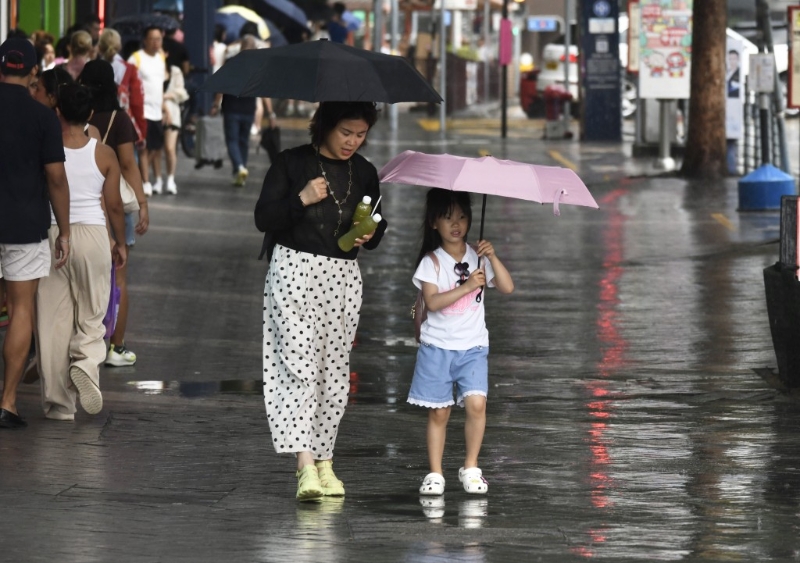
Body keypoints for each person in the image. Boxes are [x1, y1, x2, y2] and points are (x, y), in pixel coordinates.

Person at [254, 101, 387, 500]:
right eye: (346, 131)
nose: (353, 141)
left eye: (360, 134)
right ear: (326, 126)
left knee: (334, 375)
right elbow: (264, 218)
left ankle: (325, 461)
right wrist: (301, 199)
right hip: (293, 271)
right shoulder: (291, 163)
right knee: (299, 367)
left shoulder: (364, 172)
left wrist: (369, 235)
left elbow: (379, 226)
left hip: (343, 278)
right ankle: (304, 465)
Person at [410, 189, 514, 496]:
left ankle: (471, 466)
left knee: (477, 403)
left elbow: (507, 287)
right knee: (439, 412)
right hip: (437, 347)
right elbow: (433, 301)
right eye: (447, 217)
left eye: (462, 216)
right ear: (433, 223)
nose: (457, 224)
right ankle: (435, 473)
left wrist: (492, 256)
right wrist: (468, 286)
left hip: (473, 347)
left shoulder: (478, 256)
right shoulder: (432, 262)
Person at [35, 83, 126, 421]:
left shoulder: (45, 147)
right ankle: (86, 363)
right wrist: (119, 241)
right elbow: (114, 205)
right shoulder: (103, 154)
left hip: (52, 234)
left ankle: (59, 404)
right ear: (89, 115)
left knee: (52, 320)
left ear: (57, 111)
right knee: (91, 313)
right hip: (92, 236)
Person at [0, 38, 71, 429]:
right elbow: (57, 178)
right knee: (20, 309)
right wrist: (64, 230)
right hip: (25, 225)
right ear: (31, 73)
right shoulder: (43, 117)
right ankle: (7, 402)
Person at [79, 60, 150, 367]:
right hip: (115, 205)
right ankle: (116, 346)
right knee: (119, 276)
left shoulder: (77, 115)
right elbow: (129, 164)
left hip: (84, 204)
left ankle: (86, 342)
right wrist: (143, 203)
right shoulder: (119, 119)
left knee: (86, 278)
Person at [211, 35, 276, 187]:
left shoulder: (231, 62)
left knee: (232, 141)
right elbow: (264, 92)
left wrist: (215, 104)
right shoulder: (258, 67)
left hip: (231, 109)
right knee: (243, 142)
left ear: (241, 48)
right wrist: (271, 113)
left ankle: (239, 167)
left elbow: (221, 86)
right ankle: (240, 172)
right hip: (249, 110)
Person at [128, 26, 167, 196]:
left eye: (159, 38)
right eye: (153, 38)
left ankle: (151, 178)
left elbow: (160, 85)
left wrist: (164, 107)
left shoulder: (161, 58)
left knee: (156, 147)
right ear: (145, 40)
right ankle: (145, 182)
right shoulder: (136, 59)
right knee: (143, 148)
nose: (157, 42)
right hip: (142, 111)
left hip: (157, 110)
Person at [98, 28, 146, 149]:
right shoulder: (130, 69)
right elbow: (137, 102)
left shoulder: (91, 69)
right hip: (123, 127)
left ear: (100, 46)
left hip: (97, 127)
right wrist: (141, 128)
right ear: (119, 46)